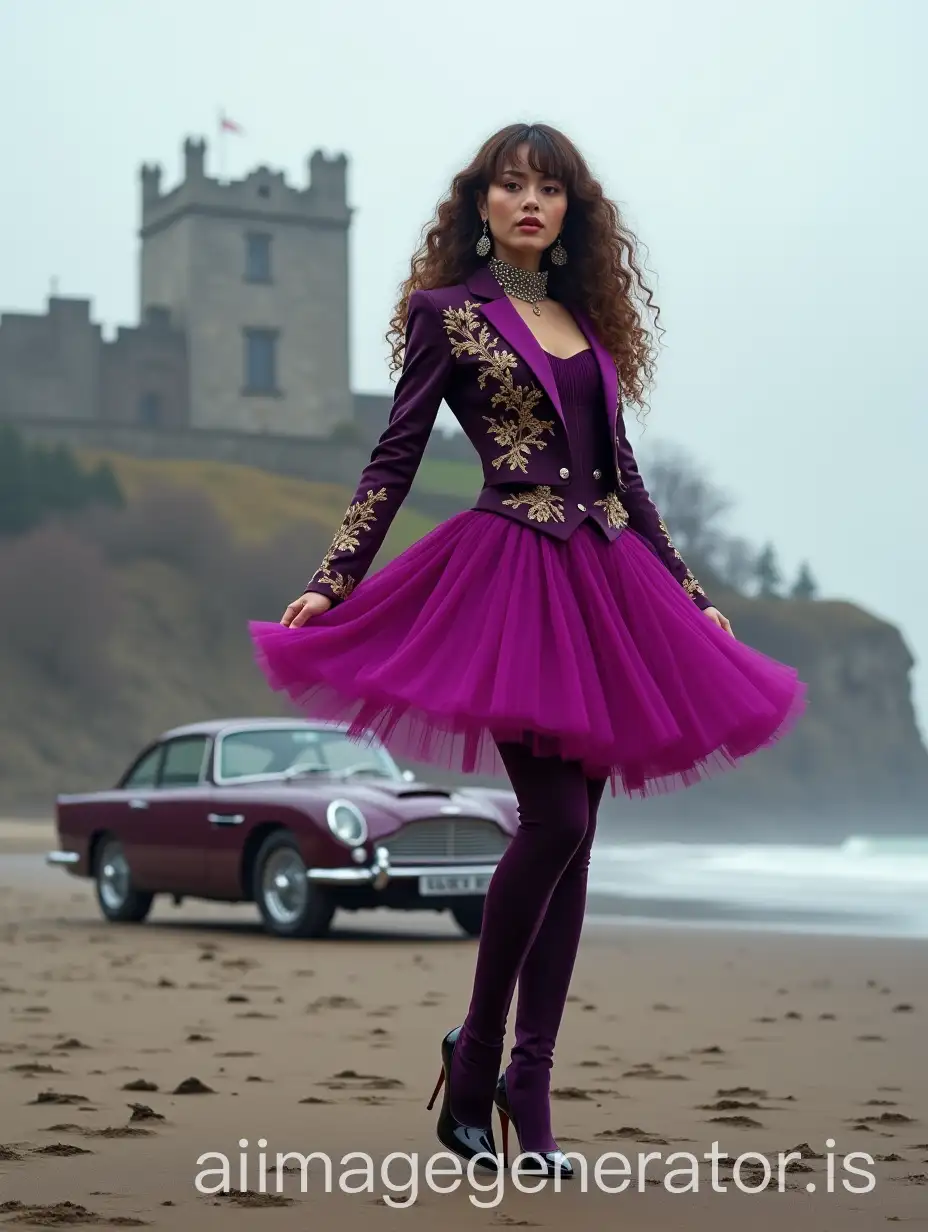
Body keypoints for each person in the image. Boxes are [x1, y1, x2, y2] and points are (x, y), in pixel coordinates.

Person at [247, 122, 806, 1179]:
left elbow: (623, 472)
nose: (529, 201)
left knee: (579, 831)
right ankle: (476, 1056)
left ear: (569, 209)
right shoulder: (447, 316)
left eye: (548, 187)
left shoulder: (585, 321)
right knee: (552, 816)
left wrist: (689, 593)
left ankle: (528, 1081)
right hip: (507, 576)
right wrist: (335, 576)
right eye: (510, 185)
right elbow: (394, 456)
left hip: (606, 580)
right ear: (482, 204)